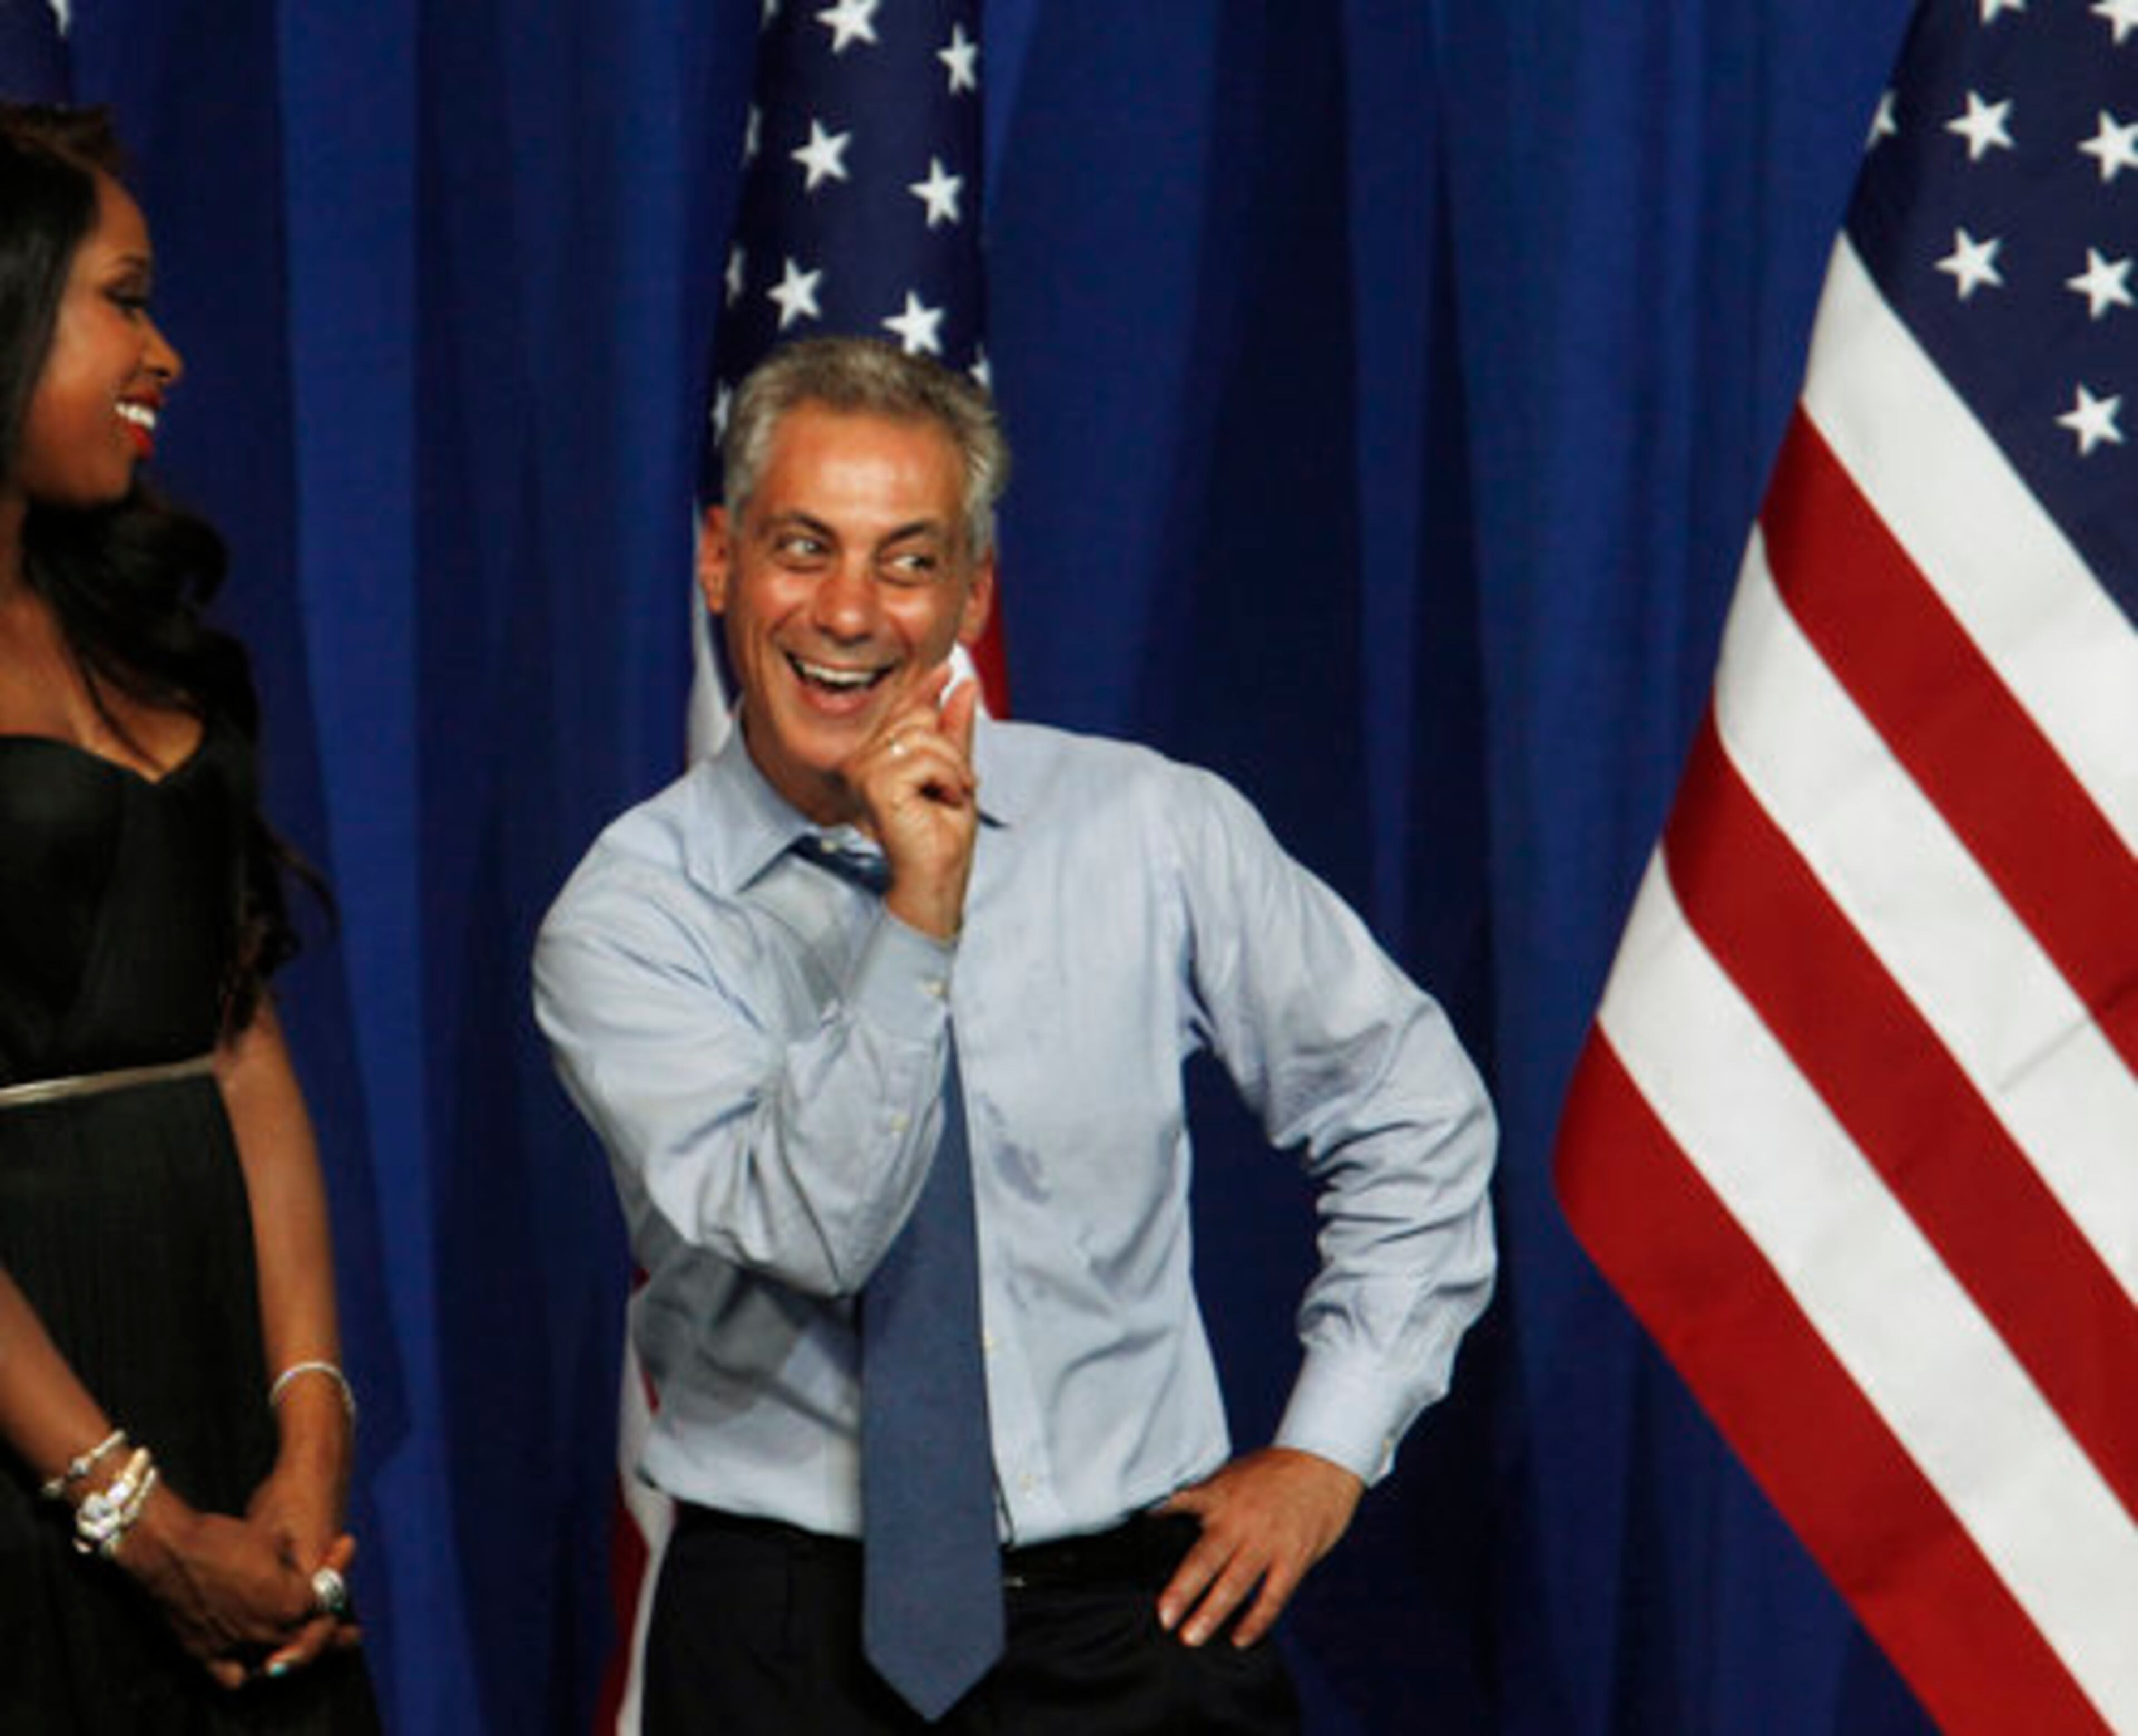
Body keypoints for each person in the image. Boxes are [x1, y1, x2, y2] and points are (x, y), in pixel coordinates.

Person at [534, 335, 1497, 1734]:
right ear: (719, 559)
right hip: (784, 1647)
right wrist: (918, 921)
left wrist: (1328, 1449)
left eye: (908, 560)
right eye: (805, 547)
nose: (850, 611)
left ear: (972, 592)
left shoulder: (1150, 826)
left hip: (1141, 1622)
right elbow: (818, 1228)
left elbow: (1415, 1109)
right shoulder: (631, 918)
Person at [0, 104, 379, 1731]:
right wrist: (133, 1520)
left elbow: (245, 1053)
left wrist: (308, 1429)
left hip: (225, 1401)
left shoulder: (137, 624)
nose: (164, 354)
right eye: (126, 298)